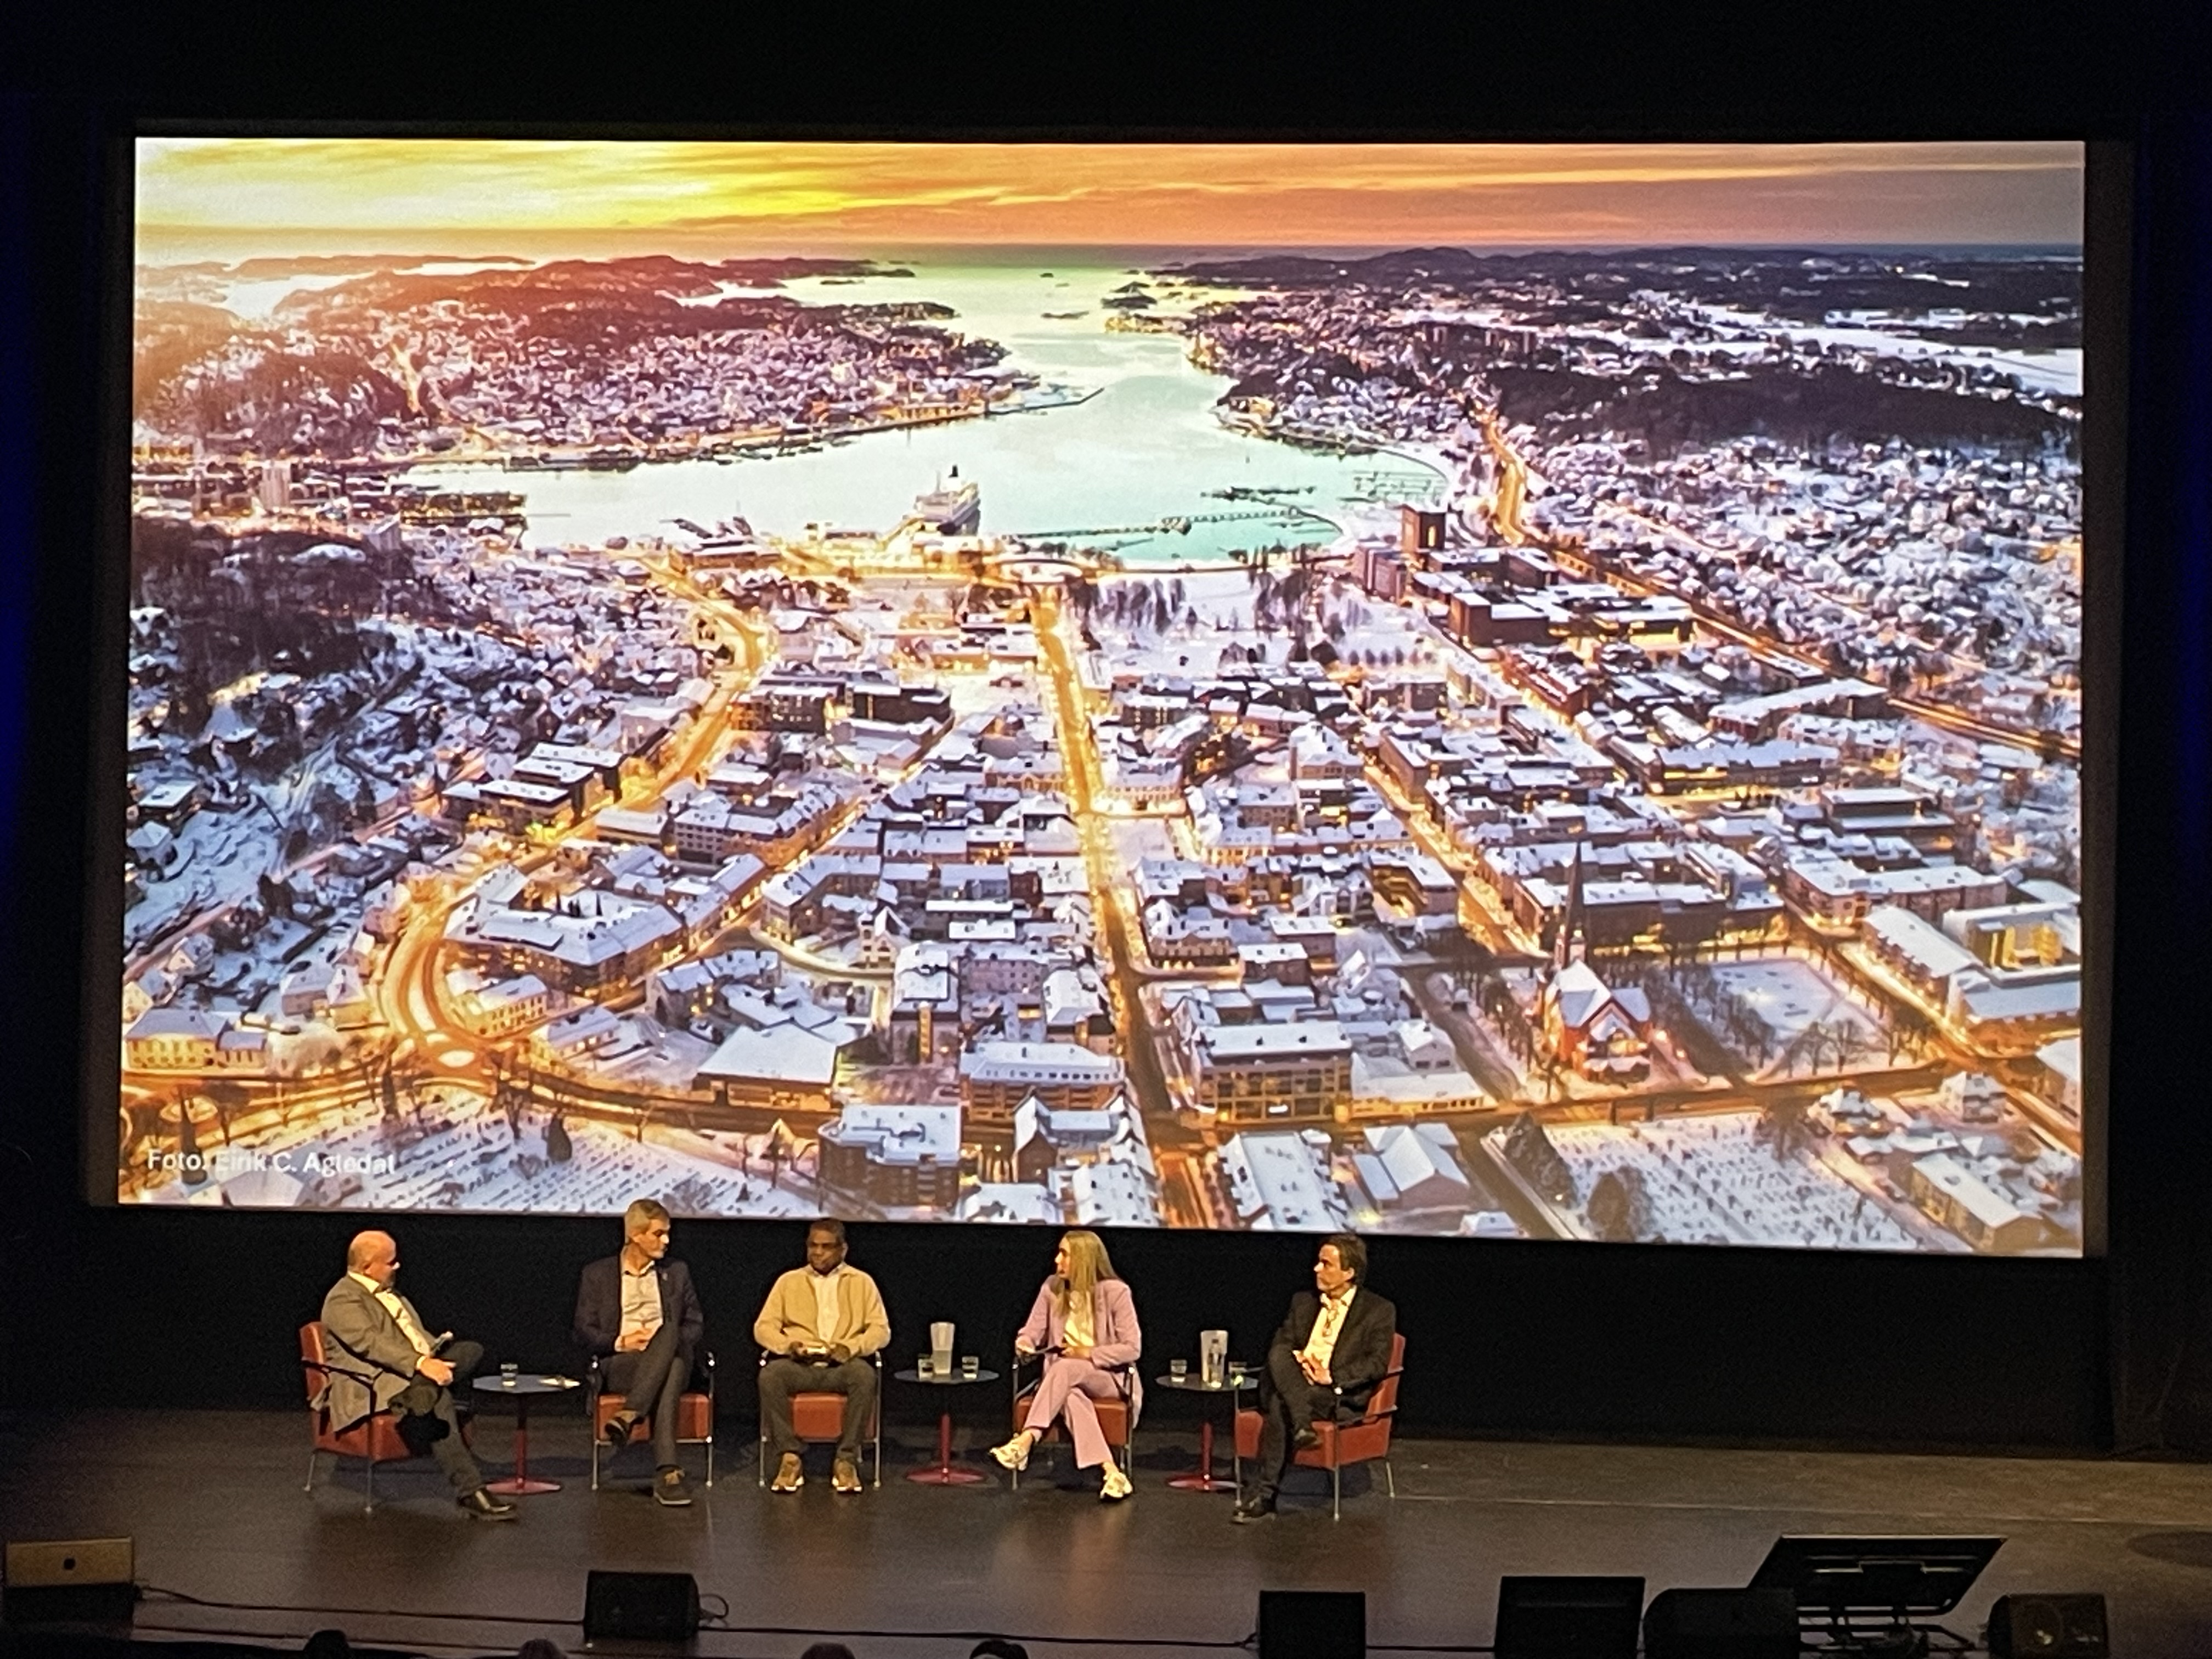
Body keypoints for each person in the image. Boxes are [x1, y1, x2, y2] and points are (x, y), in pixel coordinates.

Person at [315, 1229, 515, 1520]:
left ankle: (422, 1390)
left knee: (471, 1350)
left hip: (412, 1373)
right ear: (367, 1267)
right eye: (390, 1262)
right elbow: (371, 1344)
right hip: (376, 1380)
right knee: (438, 1397)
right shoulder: (343, 1299)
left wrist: (433, 1353)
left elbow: (413, 1336)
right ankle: (471, 1491)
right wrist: (421, 1363)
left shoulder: (391, 1293)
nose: (397, 1267)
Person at [1234, 1233, 1396, 1522]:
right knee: (1281, 1354)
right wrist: (1298, 1358)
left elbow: (1376, 1363)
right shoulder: (1302, 1302)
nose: (1316, 1270)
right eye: (1318, 1262)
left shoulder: (1378, 1310)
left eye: (1326, 1264)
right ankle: (1301, 1425)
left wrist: (1330, 1376)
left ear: (1349, 1273)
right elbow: (1280, 1347)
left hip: (1333, 1393)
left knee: (1279, 1403)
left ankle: (1265, 1494)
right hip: (1293, 1379)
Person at [573, 1198, 707, 1507]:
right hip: (624, 1362)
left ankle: (630, 1413)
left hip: (674, 1354)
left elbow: (695, 1325)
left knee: (671, 1333)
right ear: (635, 1234)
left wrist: (664, 1340)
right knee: (670, 1364)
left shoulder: (677, 1272)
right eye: (658, 1234)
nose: (667, 1241)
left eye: (667, 1233)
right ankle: (668, 1473)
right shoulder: (598, 1274)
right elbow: (583, 1329)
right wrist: (621, 1341)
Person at [991, 1229, 1141, 1500]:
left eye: (1065, 1254)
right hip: (1065, 1381)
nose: (1057, 1260)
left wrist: (1088, 1353)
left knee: (1066, 1367)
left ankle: (1026, 1441)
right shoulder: (1052, 1287)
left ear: (1083, 1259)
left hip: (1107, 1378)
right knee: (1071, 1396)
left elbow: (1132, 1348)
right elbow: (1031, 1331)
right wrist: (1024, 1343)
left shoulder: (1116, 1292)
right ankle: (1112, 1473)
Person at [753, 1217, 890, 1494]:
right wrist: (788, 1345)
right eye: (813, 1246)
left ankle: (846, 1459)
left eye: (826, 1247)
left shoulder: (861, 1282)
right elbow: (763, 1327)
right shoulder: (789, 1281)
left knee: (864, 1375)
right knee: (770, 1375)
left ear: (843, 1249)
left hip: (840, 1365)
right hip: (800, 1365)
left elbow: (881, 1331)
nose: (818, 1253)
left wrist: (851, 1348)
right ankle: (790, 1456)